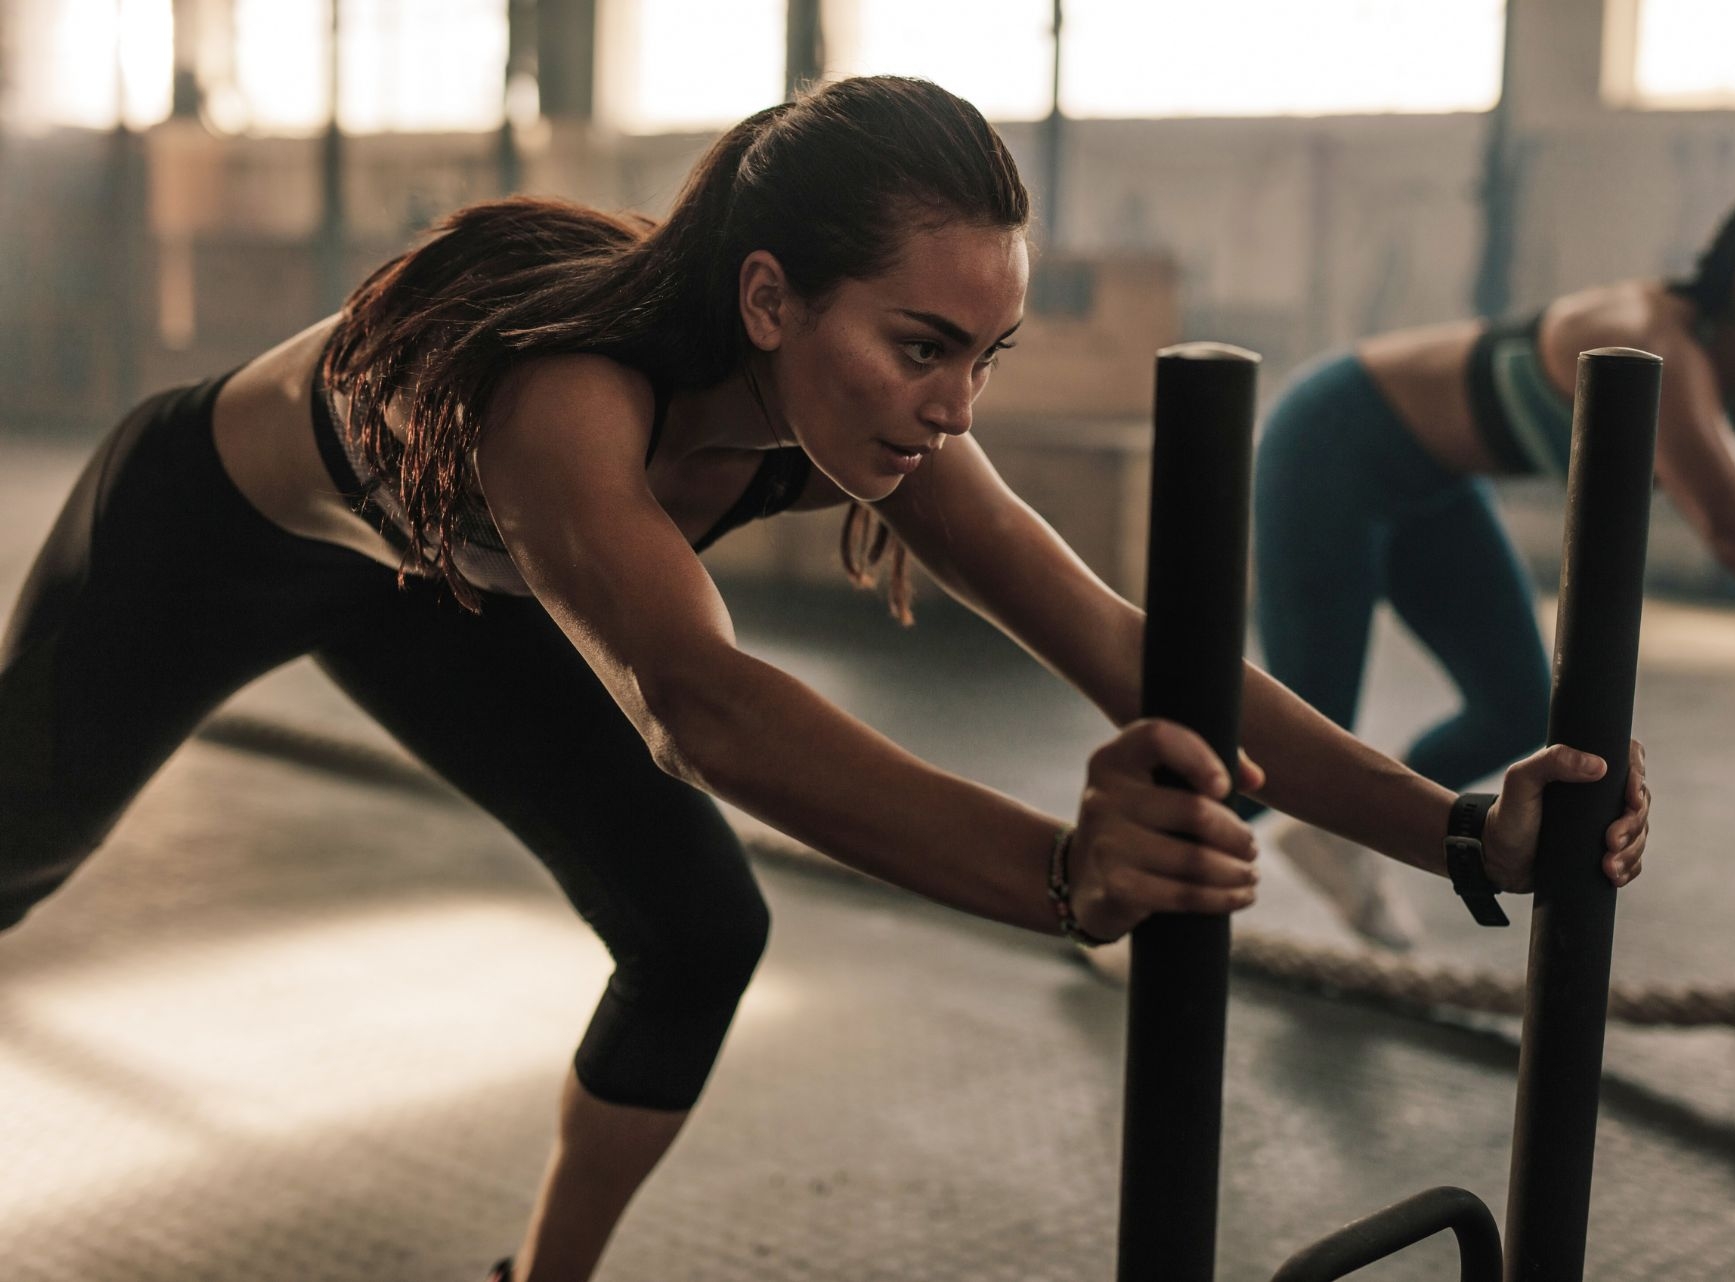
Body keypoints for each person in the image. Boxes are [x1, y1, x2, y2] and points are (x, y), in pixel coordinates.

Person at [0, 76, 1649, 1282]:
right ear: (769, 296)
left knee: (699, 928)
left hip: (452, 586)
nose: (952, 406)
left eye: (981, 358)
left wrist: (1453, 833)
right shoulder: (569, 397)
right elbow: (697, 703)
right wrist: (1064, 873)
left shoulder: (864, 419)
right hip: (207, 530)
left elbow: (1132, 646)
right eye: (920, 344)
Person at [1248, 179, 1735, 952]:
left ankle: (1346, 833)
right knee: (1297, 738)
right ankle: (1145, 899)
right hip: (1331, 445)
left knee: (1521, 709)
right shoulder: (1650, 335)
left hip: (1434, 488)